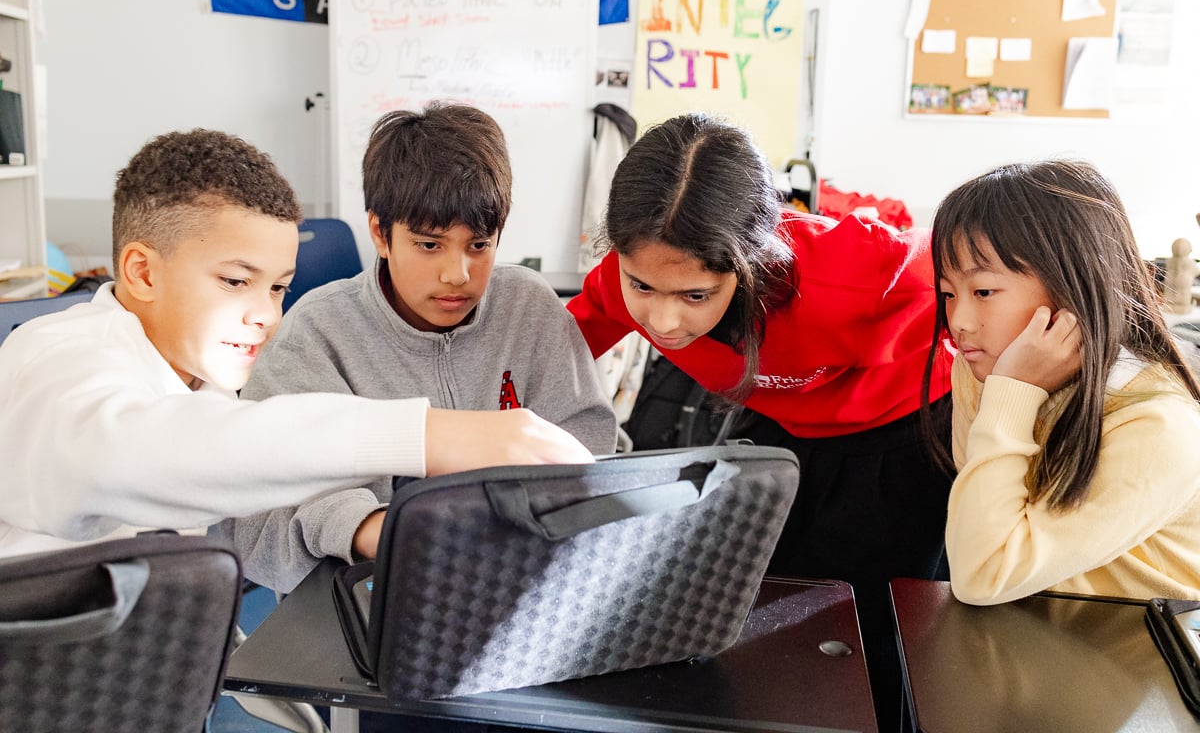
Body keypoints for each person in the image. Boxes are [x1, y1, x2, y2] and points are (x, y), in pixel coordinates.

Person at [0, 128, 593, 559]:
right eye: (235, 282)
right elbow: (130, 452)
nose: (265, 316)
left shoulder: (205, 384)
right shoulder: (54, 359)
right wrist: (429, 435)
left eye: (278, 287)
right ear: (143, 272)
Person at [566, 112, 955, 732]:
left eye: (695, 295)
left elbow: (986, 284)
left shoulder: (861, 272)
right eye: (643, 286)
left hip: (902, 429)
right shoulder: (623, 283)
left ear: (750, 263)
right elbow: (544, 362)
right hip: (786, 434)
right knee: (759, 618)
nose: (663, 322)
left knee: (883, 637)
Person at [232, 103, 617, 592]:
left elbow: (591, 446)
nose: (457, 274)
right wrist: (372, 529)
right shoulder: (317, 333)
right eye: (430, 245)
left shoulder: (531, 307)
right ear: (380, 233)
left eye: (479, 245)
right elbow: (257, 523)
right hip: (376, 587)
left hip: (527, 574)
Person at [923, 158, 1200, 605]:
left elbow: (982, 574)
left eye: (984, 292)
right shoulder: (984, 369)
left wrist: (1012, 395)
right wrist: (1009, 391)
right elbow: (982, 536)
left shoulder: (1159, 428)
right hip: (1037, 630)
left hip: (1138, 655)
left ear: (1075, 283)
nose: (959, 322)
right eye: (948, 293)